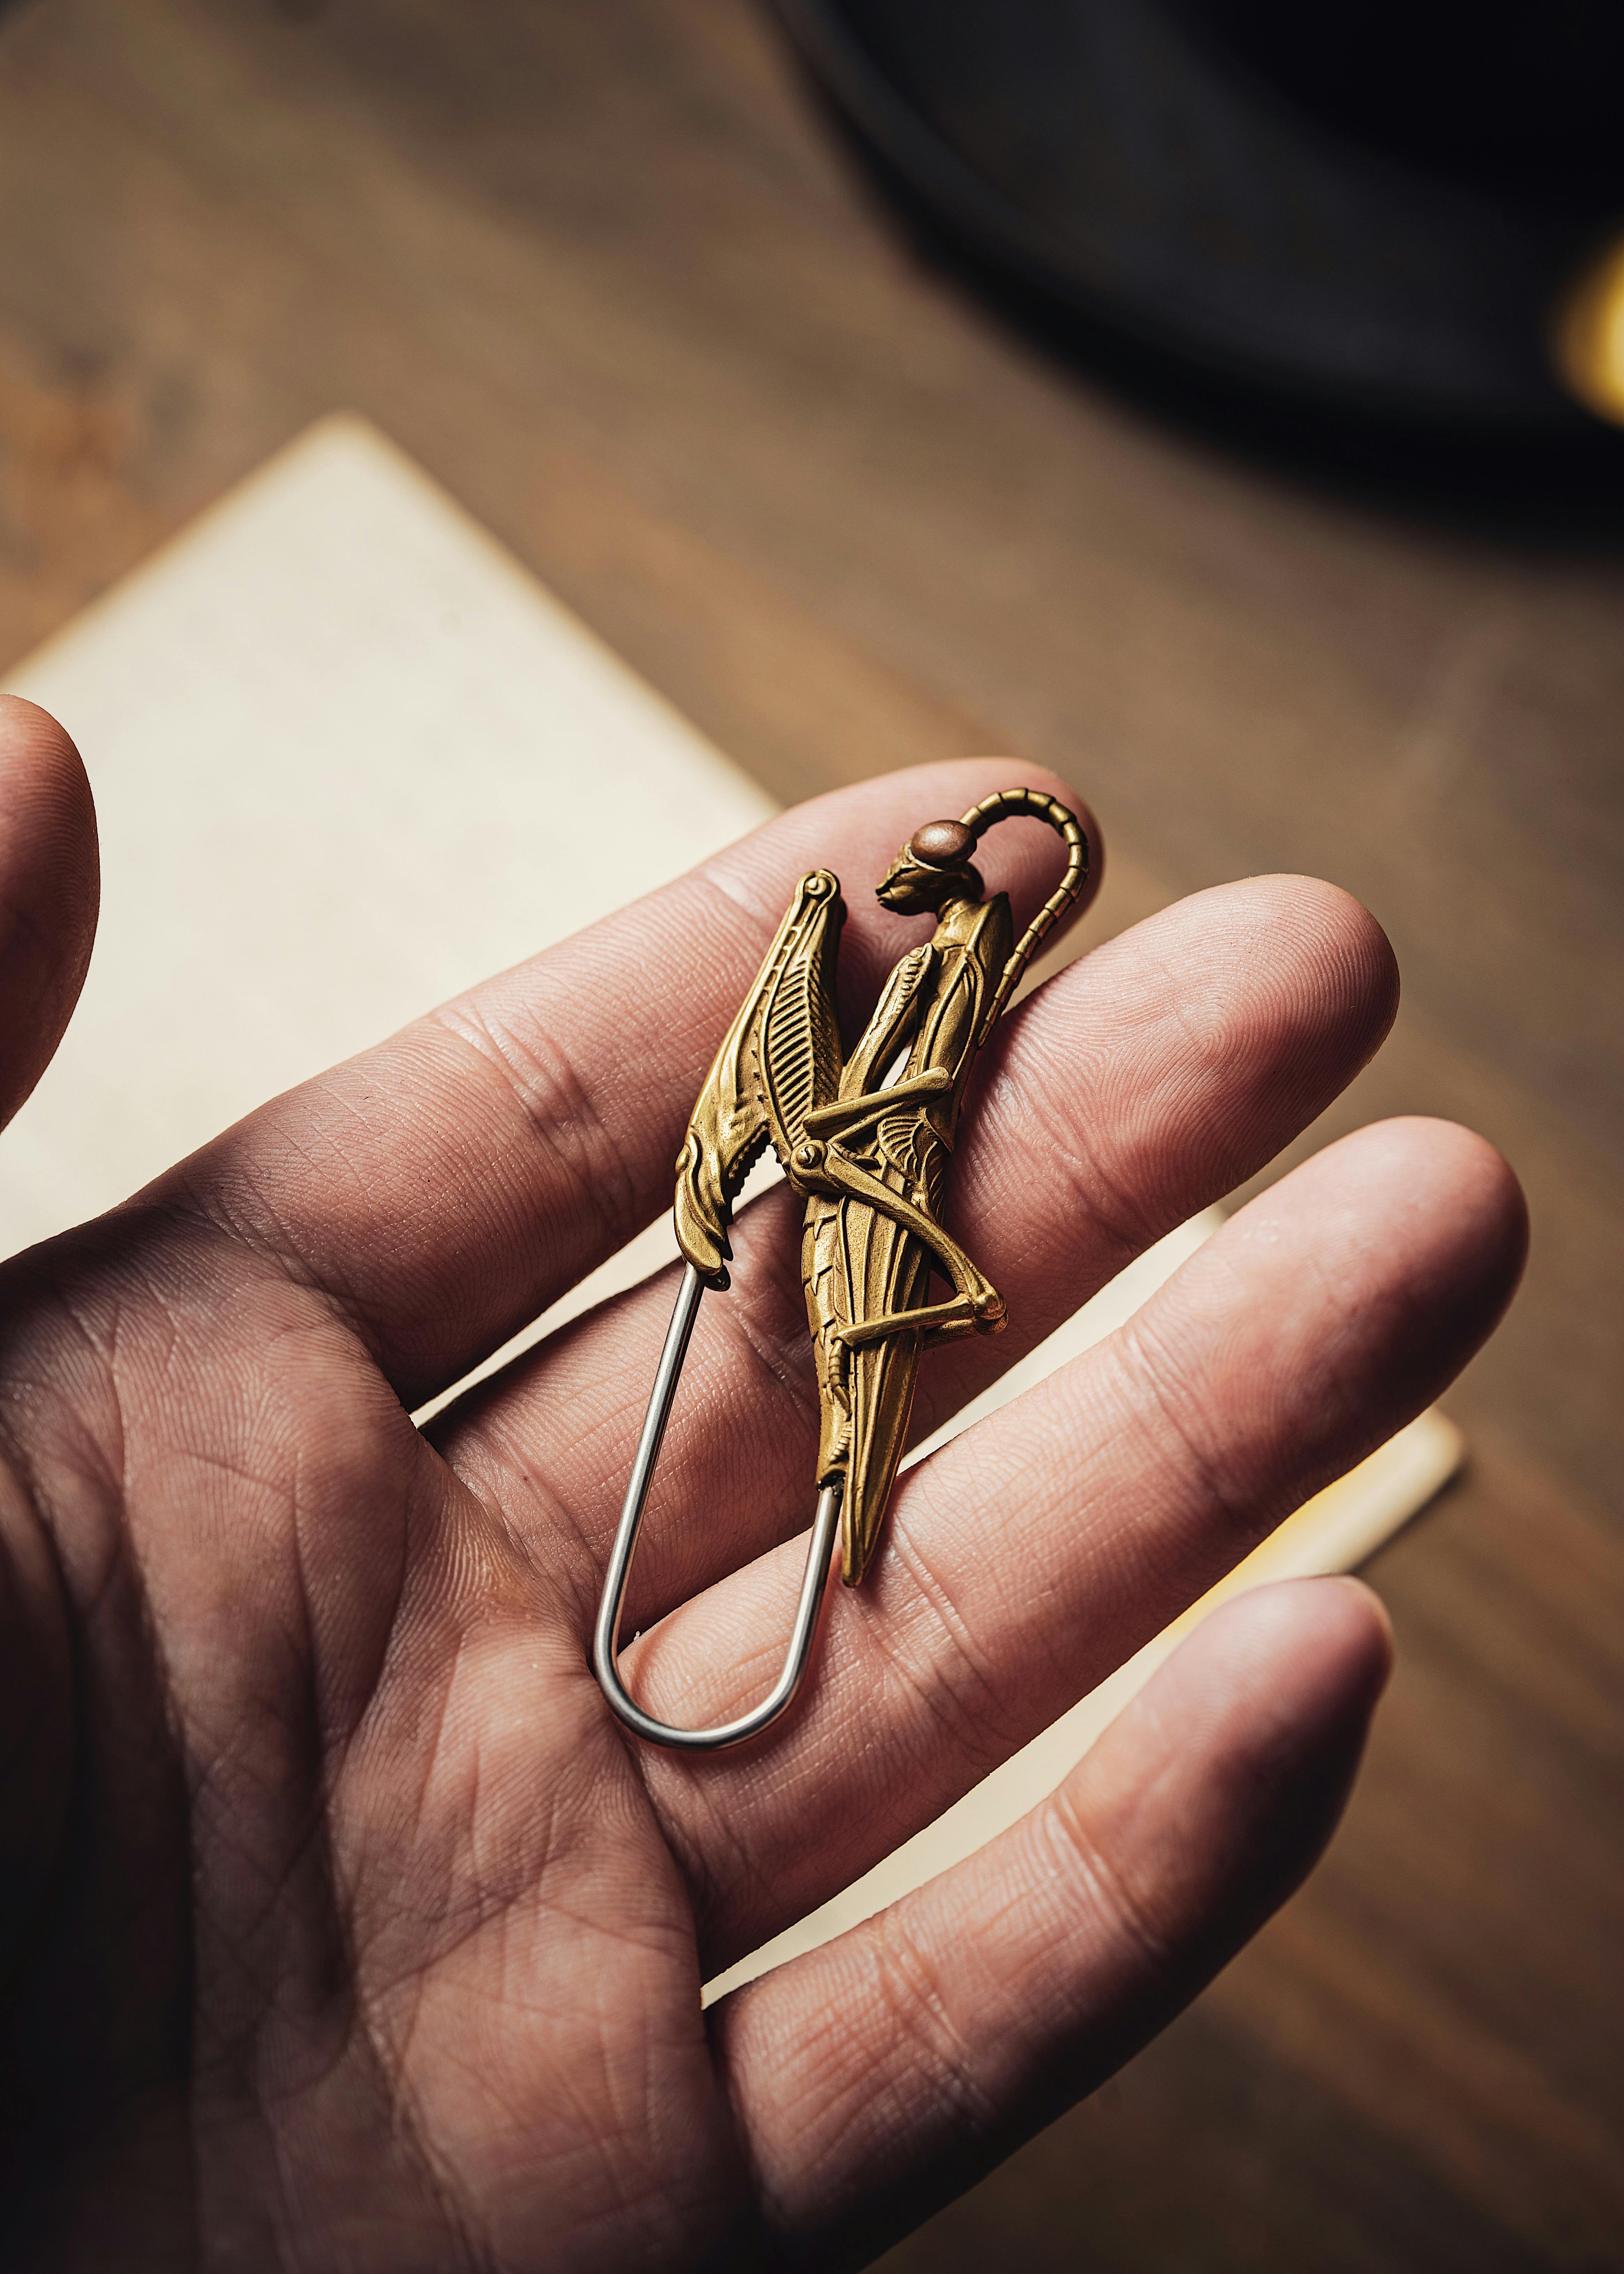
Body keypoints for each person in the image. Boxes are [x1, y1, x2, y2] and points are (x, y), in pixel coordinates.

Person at [0, 694, 1524, 2268]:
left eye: (943, 890)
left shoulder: (954, 979)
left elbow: (892, 1087)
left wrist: (852, 1147)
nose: (921, 902)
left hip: (881, 1224)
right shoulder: (884, 967)